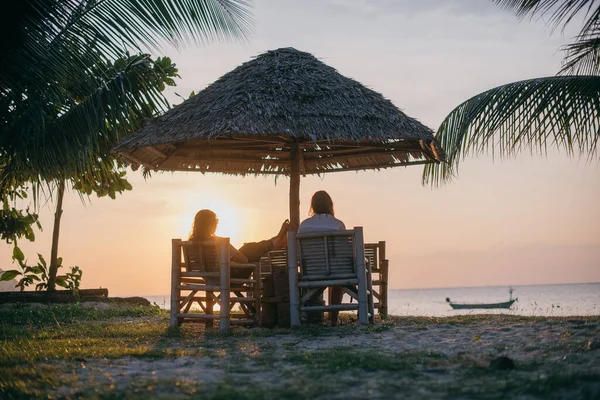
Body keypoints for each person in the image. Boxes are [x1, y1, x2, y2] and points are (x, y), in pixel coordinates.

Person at [188, 209, 289, 278]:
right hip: (229, 276)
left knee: (249, 247)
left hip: (208, 279)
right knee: (248, 248)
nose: (216, 224)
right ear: (211, 224)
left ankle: (274, 241)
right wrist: (232, 262)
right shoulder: (219, 242)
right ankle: (274, 242)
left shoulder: (190, 244)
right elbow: (244, 259)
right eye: (215, 221)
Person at [298, 190, 346, 325]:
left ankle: (302, 312)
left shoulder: (304, 226)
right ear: (330, 205)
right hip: (335, 272)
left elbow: (298, 253)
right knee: (338, 278)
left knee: (335, 274)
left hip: (311, 271)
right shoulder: (338, 225)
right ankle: (334, 320)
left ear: (312, 206)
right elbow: (344, 253)